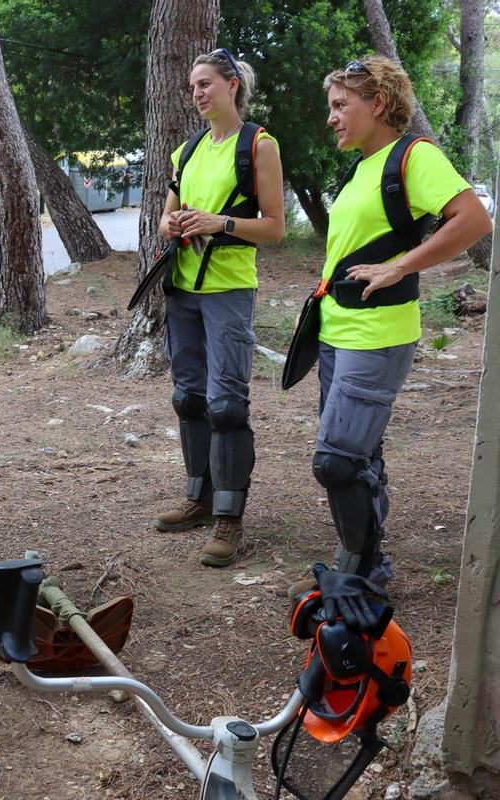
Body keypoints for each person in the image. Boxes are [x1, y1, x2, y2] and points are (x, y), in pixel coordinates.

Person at [293, 56, 490, 623]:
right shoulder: (364, 167)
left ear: (377, 103)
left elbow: (474, 219)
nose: (331, 117)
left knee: (336, 461)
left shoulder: (413, 155)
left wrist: (400, 265)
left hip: (376, 337)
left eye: (339, 105)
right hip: (337, 332)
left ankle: (358, 578)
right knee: (361, 457)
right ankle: (367, 570)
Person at [152, 49, 285, 566]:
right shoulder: (186, 151)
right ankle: (200, 500)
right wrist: (172, 225)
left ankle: (230, 520)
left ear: (232, 85)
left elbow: (273, 228)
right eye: (192, 87)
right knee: (188, 397)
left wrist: (219, 224)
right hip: (182, 287)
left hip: (228, 288)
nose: (197, 93)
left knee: (226, 403)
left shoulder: (259, 145)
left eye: (205, 83)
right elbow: (169, 216)